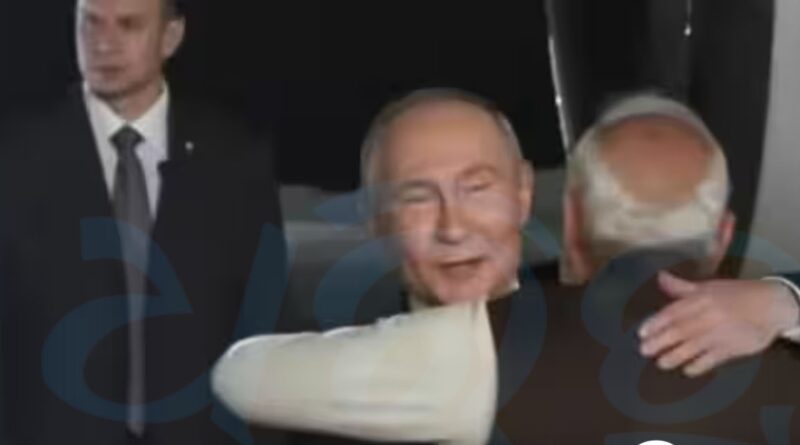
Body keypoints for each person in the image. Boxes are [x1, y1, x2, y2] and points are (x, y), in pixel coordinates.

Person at [0, 0, 283, 443]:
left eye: (128, 25)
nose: (104, 44)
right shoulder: (16, 162)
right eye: (91, 23)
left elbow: (266, 324)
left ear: (170, 37)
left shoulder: (234, 162)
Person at [212, 88, 537, 445]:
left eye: (477, 189)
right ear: (373, 220)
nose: (453, 229)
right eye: (417, 198)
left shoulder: (584, 345)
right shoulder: (312, 415)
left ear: (523, 193)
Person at [500, 93, 800, 442]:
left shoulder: (486, 350)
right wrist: (785, 301)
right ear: (724, 233)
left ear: (572, 222)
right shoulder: (784, 368)